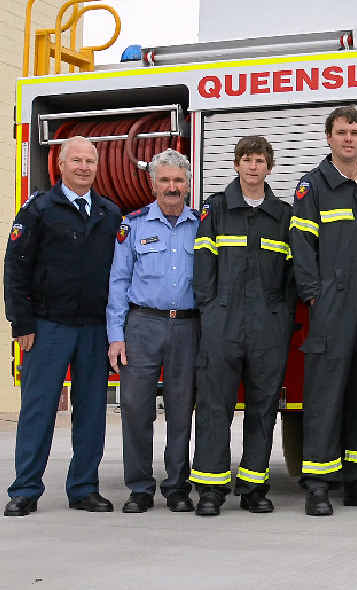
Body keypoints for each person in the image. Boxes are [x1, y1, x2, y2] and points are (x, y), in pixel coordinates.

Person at [3, 136, 121, 516]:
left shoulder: (109, 214)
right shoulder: (38, 210)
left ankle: (84, 488)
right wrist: (21, 323)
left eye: (90, 161)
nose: (84, 167)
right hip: (47, 326)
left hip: (93, 329)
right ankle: (25, 490)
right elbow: (15, 269)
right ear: (61, 165)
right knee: (38, 409)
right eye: (77, 160)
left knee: (91, 412)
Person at [289, 105, 357, 516]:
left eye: (354, 131)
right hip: (333, 304)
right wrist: (316, 294)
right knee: (326, 393)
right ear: (329, 138)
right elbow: (300, 245)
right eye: (341, 132)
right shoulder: (312, 187)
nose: (348, 138)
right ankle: (318, 483)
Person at [188, 136, 294, 516]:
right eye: (246, 160)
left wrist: (280, 316)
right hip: (223, 323)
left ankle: (253, 487)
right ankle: (211, 489)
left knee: (263, 407)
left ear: (270, 167)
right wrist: (213, 312)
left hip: (268, 326)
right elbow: (203, 268)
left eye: (260, 160)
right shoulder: (215, 209)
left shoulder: (283, 214)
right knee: (215, 406)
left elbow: (291, 274)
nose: (253, 166)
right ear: (236, 165)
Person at [106, 149, 200, 514]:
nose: (172, 187)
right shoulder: (134, 225)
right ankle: (140, 488)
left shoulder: (202, 225)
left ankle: (177, 486)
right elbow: (118, 282)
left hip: (188, 326)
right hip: (142, 325)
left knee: (181, 409)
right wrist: (116, 335)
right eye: (165, 180)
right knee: (134, 407)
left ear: (188, 185)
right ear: (153, 184)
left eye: (178, 180)